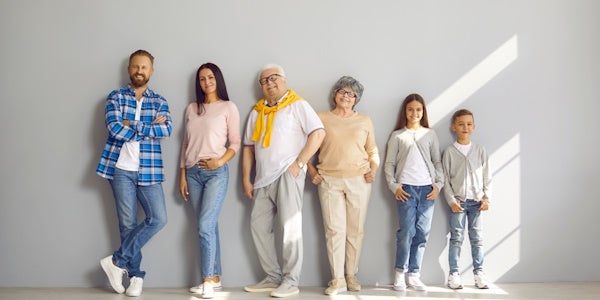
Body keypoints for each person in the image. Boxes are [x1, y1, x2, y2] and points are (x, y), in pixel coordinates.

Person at [241, 64, 325, 298]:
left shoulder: (297, 105)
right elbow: (248, 148)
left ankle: (291, 280)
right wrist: (246, 179)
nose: (269, 82)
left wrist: (299, 164)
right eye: (264, 80)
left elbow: (318, 133)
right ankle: (272, 277)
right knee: (258, 228)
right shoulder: (256, 111)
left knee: (290, 229)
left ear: (284, 80)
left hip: (288, 174)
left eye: (274, 77)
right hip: (261, 179)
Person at [96, 49, 172, 297]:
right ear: (129, 69)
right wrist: (149, 127)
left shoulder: (159, 100)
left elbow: (167, 130)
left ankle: (116, 262)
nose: (140, 71)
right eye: (136, 66)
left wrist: (133, 124)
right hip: (120, 169)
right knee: (127, 225)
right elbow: (114, 128)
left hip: (149, 170)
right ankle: (136, 277)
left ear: (151, 71)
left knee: (158, 218)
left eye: (145, 67)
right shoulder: (115, 97)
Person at [306, 76, 379, 295]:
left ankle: (351, 275)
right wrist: (312, 171)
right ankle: (337, 279)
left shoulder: (364, 120)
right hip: (329, 180)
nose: (346, 96)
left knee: (355, 231)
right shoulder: (321, 118)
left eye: (351, 94)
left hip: (360, 180)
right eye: (342, 92)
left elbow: (372, 149)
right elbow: (306, 147)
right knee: (334, 230)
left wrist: (373, 169)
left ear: (356, 99)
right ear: (335, 94)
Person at [179, 63, 240, 299]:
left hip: (216, 172)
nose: (207, 82)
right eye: (202, 79)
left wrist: (220, 161)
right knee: (209, 226)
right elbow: (185, 144)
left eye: (211, 77)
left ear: (218, 80)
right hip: (193, 173)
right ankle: (215, 278)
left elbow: (235, 142)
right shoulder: (192, 108)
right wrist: (182, 175)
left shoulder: (228, 107)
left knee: (204, 225)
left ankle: (205, 280)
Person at [384, 93, 443, 292]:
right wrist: (394, 187)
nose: (414, 113)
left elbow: (437, 161)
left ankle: (414, 275)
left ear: (423, 111)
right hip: (406, 189)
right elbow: (389, 164)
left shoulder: (430, 134)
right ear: (405, 112)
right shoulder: (397, 136)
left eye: (418, 109)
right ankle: (400, 273)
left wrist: (438, 185)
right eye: (410, 109)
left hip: (428, 190)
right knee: (406, 231)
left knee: (422, 233)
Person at [442, 109, 491, 290]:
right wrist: (451, 200)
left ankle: (479, 273)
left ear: (474, 127)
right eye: (461, 124)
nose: (465, 127)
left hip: (477, 202)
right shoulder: (449, 152)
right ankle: (454, 274)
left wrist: (487, 198)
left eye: (469, 124)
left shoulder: (480, 150)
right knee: (456, 238)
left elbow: (488, 176)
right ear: (454, 127)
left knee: (477, 238)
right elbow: (445, 179)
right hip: (458, 202)